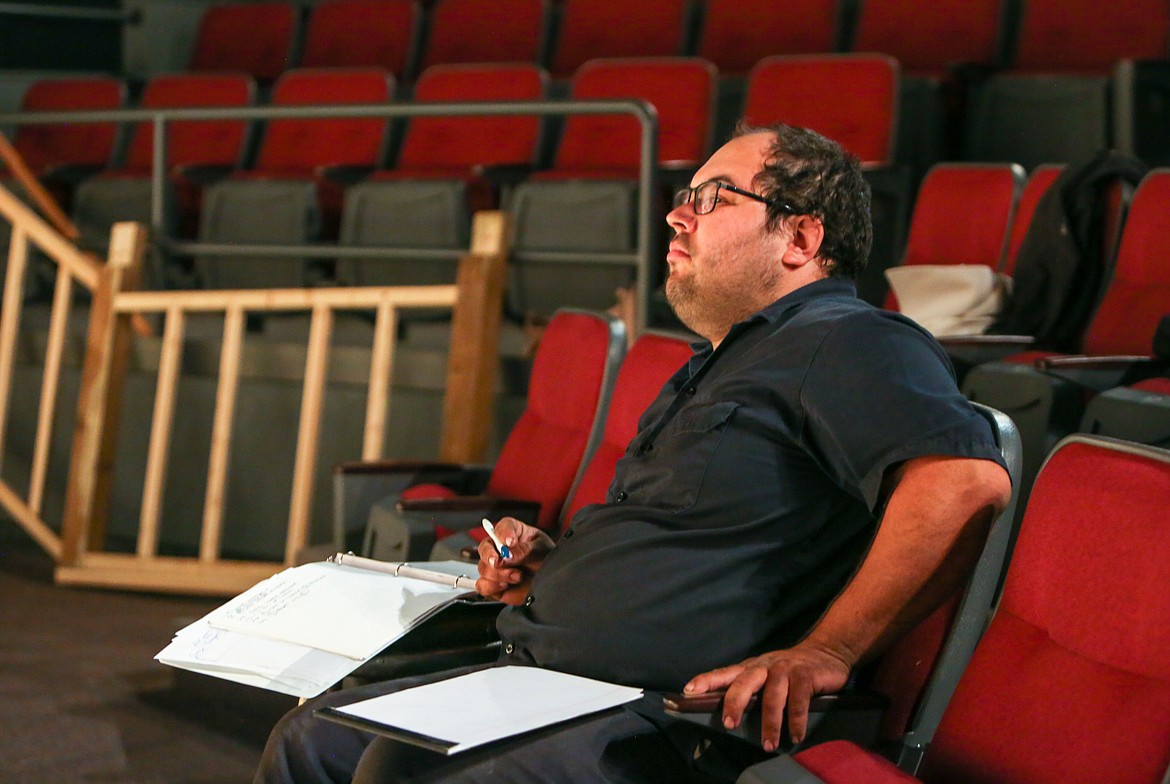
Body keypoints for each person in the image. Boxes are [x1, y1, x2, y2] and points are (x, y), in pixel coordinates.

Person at [255, 124, 1012, 783]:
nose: (678, 214)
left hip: (667, 719)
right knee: (310, 743)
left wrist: (830, 647)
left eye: (713, 198)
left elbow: (963, 482)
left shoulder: (851, 341)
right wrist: (549, 571)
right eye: (686, 195)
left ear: (801, 239)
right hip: (548, 673)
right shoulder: (720, 361)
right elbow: (687, 539)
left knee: (400, 769)